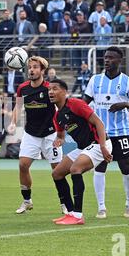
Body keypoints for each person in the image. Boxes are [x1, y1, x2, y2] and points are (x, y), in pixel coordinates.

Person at [83, 47, 129, 219]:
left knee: (125, 168)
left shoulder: (128, 82)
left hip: (121, 132)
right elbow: (84, 104)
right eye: (105, 57)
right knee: (100, 167)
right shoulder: (95, 81)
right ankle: (101, 208)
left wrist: (125, 105)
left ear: (119, 60)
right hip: (101, 134)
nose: (107, 60)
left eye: (111, 57)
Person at [49, 79, 112, 225]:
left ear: (65, 92)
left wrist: (103, 147)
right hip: (84, 147)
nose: (51, 92)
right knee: (57, 173)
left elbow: (99, 123)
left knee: (75, 168)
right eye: (49, 89)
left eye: (55, 89)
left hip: (99, 144)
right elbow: (60, 135)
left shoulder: (75, 104)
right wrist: (59, 140)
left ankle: (78, 216)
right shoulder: (57, 116)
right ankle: (70, 213)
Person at [7, 56, 64, 214]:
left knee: (57, 170)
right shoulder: (22, 88)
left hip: (50, 135)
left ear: (42, 70)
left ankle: (64, 203)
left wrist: (61, 132)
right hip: (31, 134)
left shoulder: (50, 88)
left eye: (35, 67)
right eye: (29, 67)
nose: (31, 70)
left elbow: (61, 107)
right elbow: (17, 108)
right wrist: (13, 122)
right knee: (23, 165)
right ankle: (27, 201)